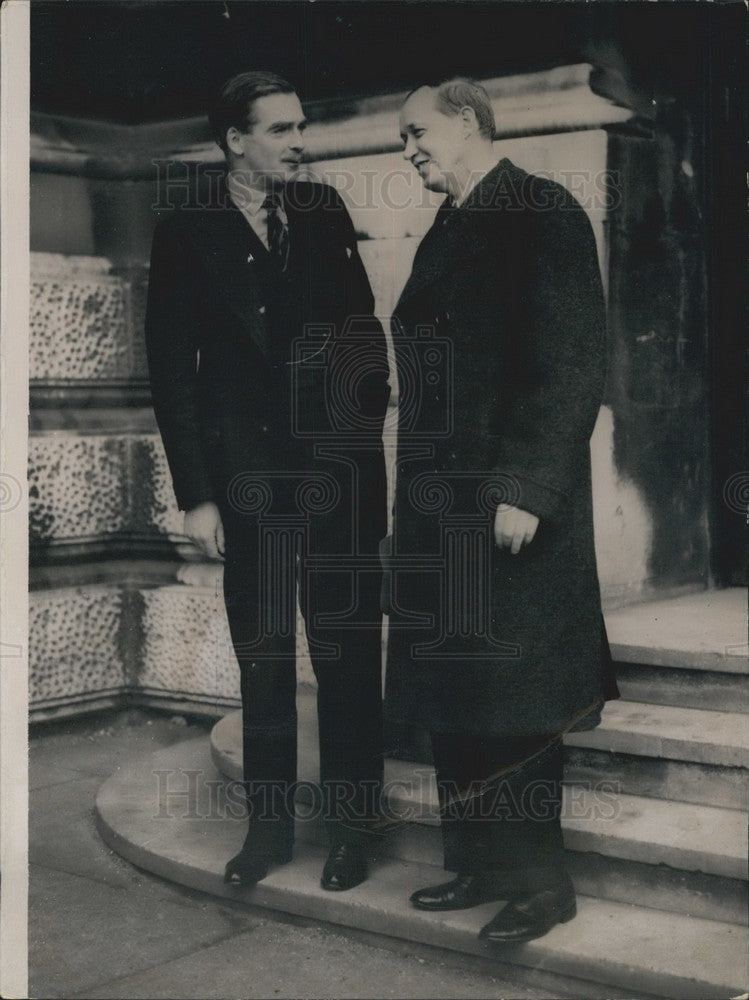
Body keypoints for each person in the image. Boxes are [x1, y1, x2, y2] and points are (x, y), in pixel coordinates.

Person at [385, 78, 618, 942]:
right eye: (400, 137)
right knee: (459, 688)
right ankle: (478, 864)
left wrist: (525, 489)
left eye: (416, 131)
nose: (406, 148)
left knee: (516, 699)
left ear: (469, 123)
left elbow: (568, 363)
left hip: (505, 506)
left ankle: (539, 886)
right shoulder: (454, 223)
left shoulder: (539, 209)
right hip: (441, 507)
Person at [145, 71, 390, 891]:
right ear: (234, 142)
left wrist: (359, 446)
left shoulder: (322, 215)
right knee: (264, 656)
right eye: (279, 129)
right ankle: (269, 832)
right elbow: (173, 372)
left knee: (348, 653)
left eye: (300, 125)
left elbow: (364, 336)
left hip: (336, 479)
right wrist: (198, 495)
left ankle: (354, 830)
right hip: (247, 483)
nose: (297, 142)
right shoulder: (187, 230)